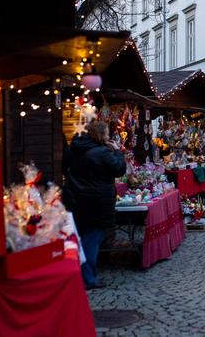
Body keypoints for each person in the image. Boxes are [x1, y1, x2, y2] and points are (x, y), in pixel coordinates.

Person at [63, 120, 126, 290]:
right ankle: (88, 278)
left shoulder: (74, 149)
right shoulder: (103, 152)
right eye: (106, 133)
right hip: (96, 201)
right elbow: (119, 169)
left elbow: (64, 168)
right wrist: (117, 152)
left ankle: (79, 273)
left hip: (76, 199)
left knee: (82, 237)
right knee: (92, 239)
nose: (108, 136)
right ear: (100, 135)